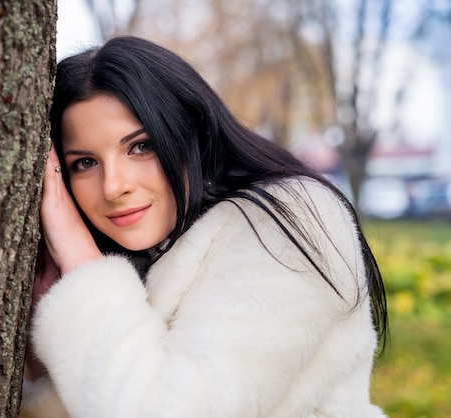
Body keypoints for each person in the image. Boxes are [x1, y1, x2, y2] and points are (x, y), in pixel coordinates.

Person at [20, 36, 388, 418]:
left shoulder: (294, 217)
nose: (114, 186)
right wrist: (44, 352)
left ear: (191, 133)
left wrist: (83, 265)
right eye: (84, 163)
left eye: (140, 146)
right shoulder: (141, 257)